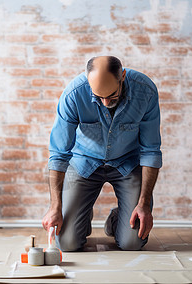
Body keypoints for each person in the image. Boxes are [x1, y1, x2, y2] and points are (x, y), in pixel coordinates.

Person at [42, 56, 162, 251]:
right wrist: (55, 206)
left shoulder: (145, 91)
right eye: (99, 97)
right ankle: (81, 214)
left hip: (127, 163)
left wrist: (144, 204)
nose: (106, 103)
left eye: (112, 95)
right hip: (83, 162)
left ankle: (118, 219)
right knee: (66, 243)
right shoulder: (73, 94)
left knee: (132, 243)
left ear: (122, 77)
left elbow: (151, 151)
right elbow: (58, 154)